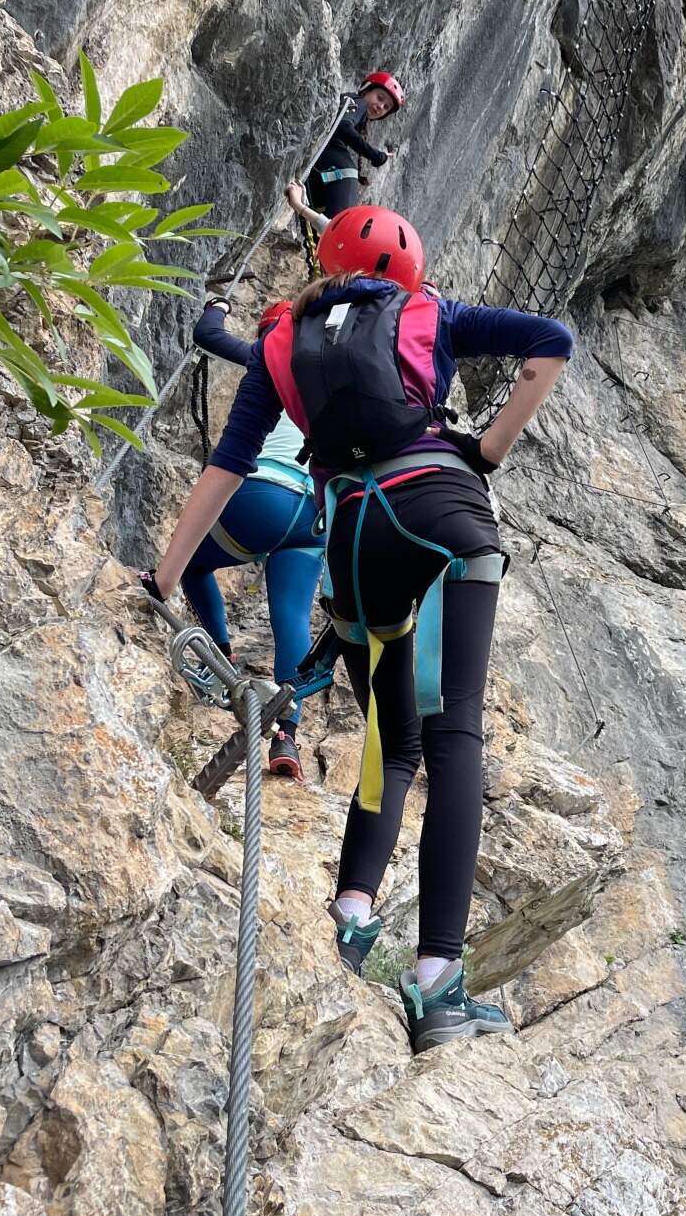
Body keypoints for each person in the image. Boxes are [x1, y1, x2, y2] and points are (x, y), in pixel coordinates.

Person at [144, 204, 573, 1051]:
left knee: (391, 737)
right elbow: (550, 340)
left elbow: (229, 464)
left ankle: (351, 916)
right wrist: (486, 449)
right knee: (454, 738)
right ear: (401, 274)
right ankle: (438, 982)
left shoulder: (281, 342)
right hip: (441, 512)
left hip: (352, 531)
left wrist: (164, 577)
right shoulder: (429, 311)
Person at [184, 294, 325, 781]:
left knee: (189, 564)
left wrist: (219, 303)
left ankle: (217, 659)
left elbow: (207, 335)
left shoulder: (269, 355)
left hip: (264, 490)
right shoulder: (332, 370)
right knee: (291, 617)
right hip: (314, 512)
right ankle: (288, 733)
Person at [304, 72, 405, 223]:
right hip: (334, 172)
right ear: (366, 90)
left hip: (321, 172)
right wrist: (375, 155)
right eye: (380, 98)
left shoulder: (357, 112)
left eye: (386, 107)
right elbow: (343, 126)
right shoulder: (358, 102)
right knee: (339, 230)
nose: (380, 107)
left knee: (327, 231)